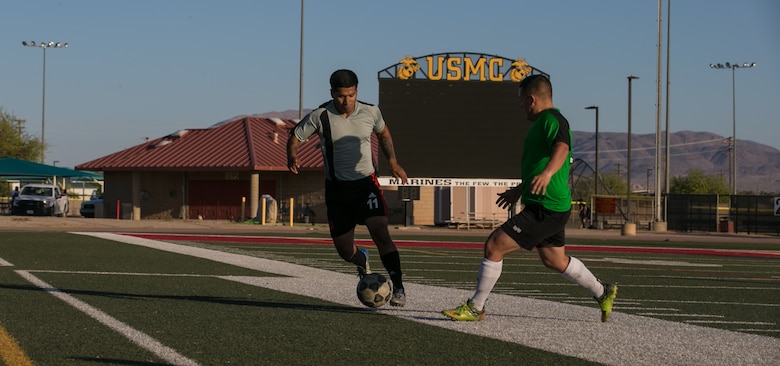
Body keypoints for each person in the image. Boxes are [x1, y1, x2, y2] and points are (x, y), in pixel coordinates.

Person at [441, 74, 617, 322]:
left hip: (546, 207)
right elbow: (541, 165)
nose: (520, 105)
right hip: (548, 205)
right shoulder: (543, 123)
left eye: (521, 100)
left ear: (531, 98)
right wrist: (520, 189)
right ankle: (603, 291)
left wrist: (547, 173)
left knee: (494, 245)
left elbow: (562, 148)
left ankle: (476, 307)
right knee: (554, 260)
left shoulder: (552, 119)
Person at [287, 69, 409, 307]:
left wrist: (392, 162)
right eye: (341, 96)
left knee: (380, 232)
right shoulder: (320, 116)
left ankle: (399, 287)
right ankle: (361, 258)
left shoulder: (371, 112)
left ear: (357, 92)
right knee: (344, 251)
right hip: (337, 191)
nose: (347, 101)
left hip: (366, 184)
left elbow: (384, 134)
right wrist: (292, 155)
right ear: (332, 93)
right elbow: (294, 138)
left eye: (351, 95)